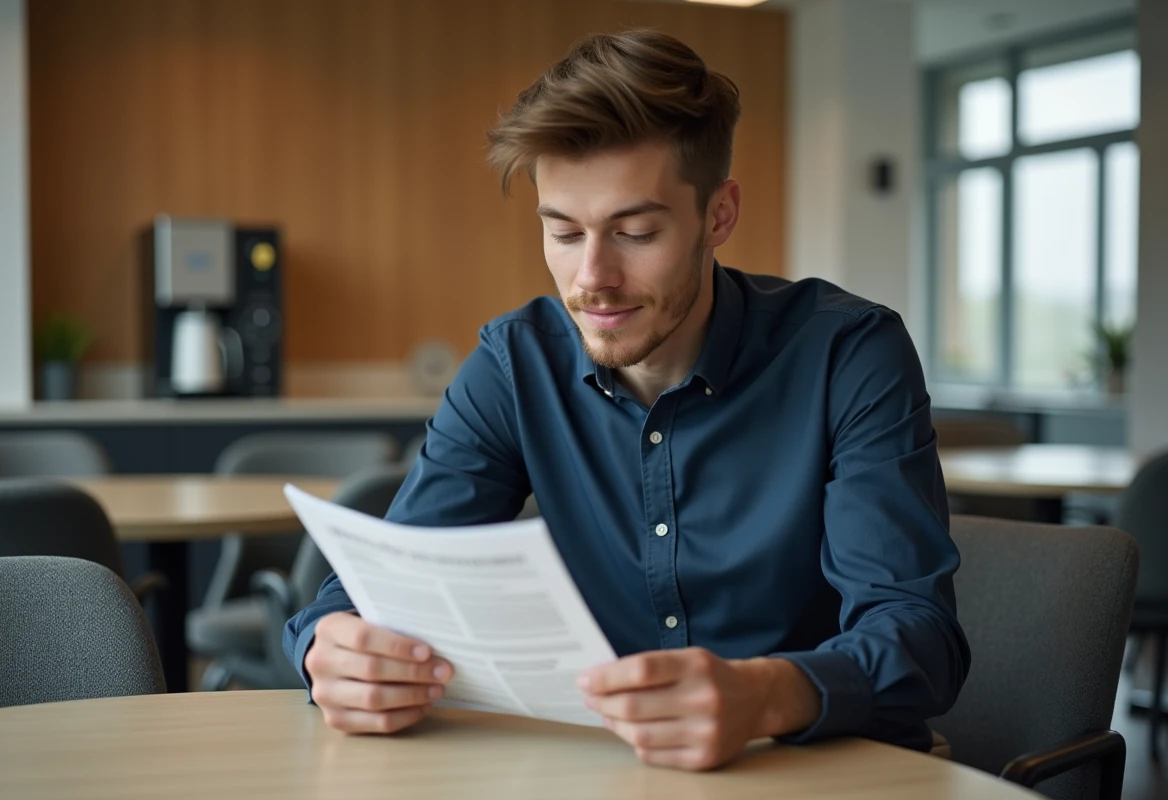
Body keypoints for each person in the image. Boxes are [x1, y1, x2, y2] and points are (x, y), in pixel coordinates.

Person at [285, 28, 969, 771]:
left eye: (635, 232)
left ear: (719, 216)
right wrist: (330, 645)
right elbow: (386, 582)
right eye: (564, 233)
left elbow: (918, 637)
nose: (592, 278)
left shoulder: (849, 354)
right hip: (603, 773)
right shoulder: (515, 364)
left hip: (820, 772)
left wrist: (766, 694)